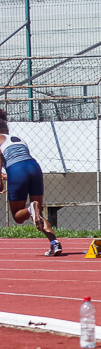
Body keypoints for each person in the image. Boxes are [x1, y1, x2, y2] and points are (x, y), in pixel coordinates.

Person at [0, 109, 62, 256]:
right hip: (34, 167)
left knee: (17, 216)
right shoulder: (16, 139)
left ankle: (29, 209)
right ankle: (54, 243)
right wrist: (5, 176)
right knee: (37, 212)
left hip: (17, 170)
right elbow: (20, 162)